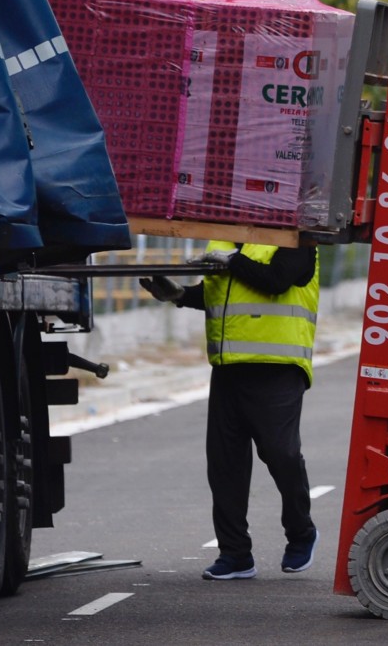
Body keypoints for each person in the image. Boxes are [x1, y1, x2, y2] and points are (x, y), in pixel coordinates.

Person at [140, 240, 320, 580]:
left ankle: (301, 533)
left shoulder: (295, 235)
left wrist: (233, 260)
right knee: (225, 466)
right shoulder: (220, 241)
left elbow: (277, 280)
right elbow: (224, 297)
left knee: (281, 454)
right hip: (228, 368)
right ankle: (235, 554)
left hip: (278, 367)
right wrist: (179, 295)